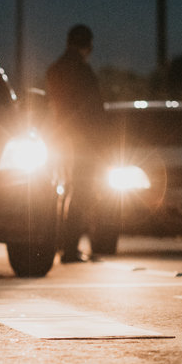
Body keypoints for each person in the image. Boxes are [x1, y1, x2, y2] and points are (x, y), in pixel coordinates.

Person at [45, 24, 105, 264]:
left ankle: (62, 244)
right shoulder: (82, 70)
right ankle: (70, 248)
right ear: (88, 45)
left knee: (63, 191)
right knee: (81, 193)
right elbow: (93, 110)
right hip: (81, 141)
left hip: (59, 138)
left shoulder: (55, 69)